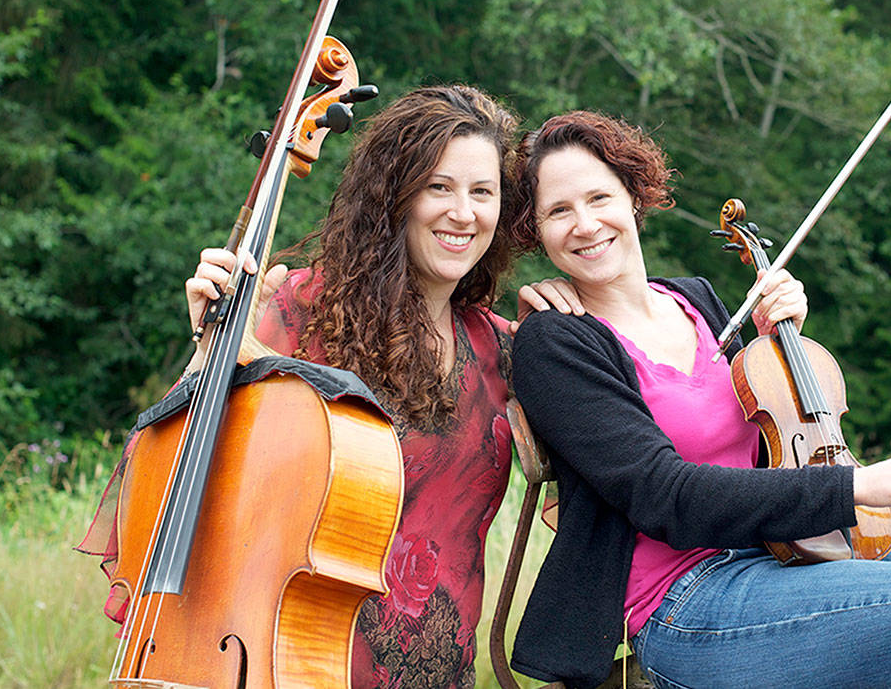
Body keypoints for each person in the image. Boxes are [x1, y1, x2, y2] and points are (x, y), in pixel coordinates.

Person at [505, 111, 891, 689]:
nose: (585, 224)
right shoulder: (557, 342)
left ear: (634, 198)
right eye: (559, 211)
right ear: (537, 230)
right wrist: (858, 486)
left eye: (598, 197)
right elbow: (664, 496)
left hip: (790, 554)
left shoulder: (696, 302)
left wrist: (783, 343)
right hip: (687, 604)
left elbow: (771, 434)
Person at [79, 85, 562, 689]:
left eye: (482, 191)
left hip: (441, 672)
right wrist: (212, 354)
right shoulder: (303, 310)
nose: (463, 212)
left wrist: (583, 315)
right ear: (394, 195)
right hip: (287, 662)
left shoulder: (504, 349)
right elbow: (178, 472)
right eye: (439, 186)